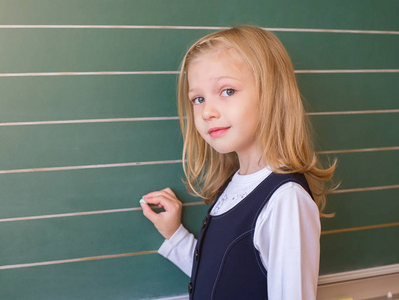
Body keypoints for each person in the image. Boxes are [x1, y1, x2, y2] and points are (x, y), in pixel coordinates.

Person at [140, 25, 336, 299]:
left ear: (272, 94)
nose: (208, 111)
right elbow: (222, 280)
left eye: (228, 91)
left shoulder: (286, 199)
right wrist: (175, 235)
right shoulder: (235, 185)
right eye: (198, 98)